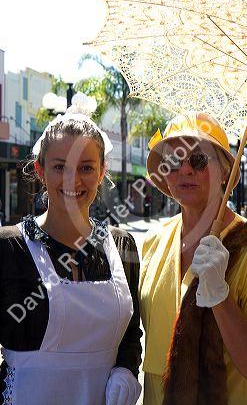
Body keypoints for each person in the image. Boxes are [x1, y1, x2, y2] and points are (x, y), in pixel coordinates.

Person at [0, 93, 142, 405]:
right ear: (40, 170)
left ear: (103, 171)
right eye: (60, 166)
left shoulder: (122, 246)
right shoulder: (9, 248)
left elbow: (131, 333)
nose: (73, 180)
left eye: (86, 167)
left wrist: (126, 369)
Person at [139, 113, 247, 405]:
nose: (185, 170)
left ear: (226, 173)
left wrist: (220, 297)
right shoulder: (152, 242)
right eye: (172, 161)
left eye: (198, 160)